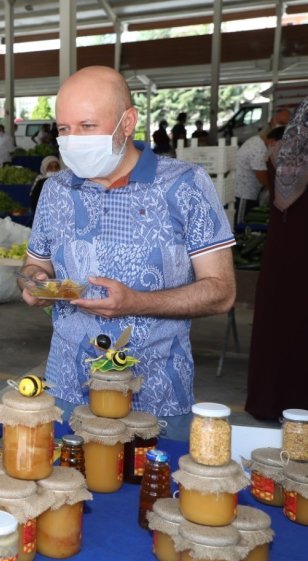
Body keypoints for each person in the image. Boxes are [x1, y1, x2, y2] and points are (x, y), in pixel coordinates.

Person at [18, 66, 235, 440]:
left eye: (87, 126)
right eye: (64, 130)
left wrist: (136, 302)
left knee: (154, 494)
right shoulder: (55, 190)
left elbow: (221, 291)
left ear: (127, 122)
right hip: (67, 390)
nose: (73, 141)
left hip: (157, 396)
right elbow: (35, 262)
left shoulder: (185, 185)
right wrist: (34, 281)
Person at [245, 98, 308, 421]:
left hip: (283, 254)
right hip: (294, 254)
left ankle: (273, 399)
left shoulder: (281, 154)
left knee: (282, 324)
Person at [234, 125, 287, 224]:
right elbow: (262, 177)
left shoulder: (258, 141)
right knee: (240, 222)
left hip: (250, 191)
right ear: (272, 141)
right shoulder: (258, 149)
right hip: (243, 193)